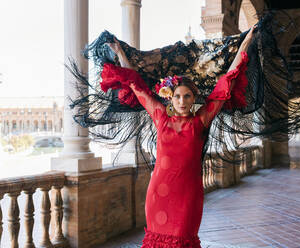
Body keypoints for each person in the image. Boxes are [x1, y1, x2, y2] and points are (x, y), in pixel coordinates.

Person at [102, 25, 257, 247]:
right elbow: (136, 85)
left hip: (188, 195)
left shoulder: (200, 121)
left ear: (194, 98)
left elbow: (226, 83)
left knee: (183, 238)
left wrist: (245, 44)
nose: (182, 101)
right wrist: (120, 54)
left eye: (187, 96)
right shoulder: (161, 118)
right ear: (170, 99)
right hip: (159, 193)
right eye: (177, 97)